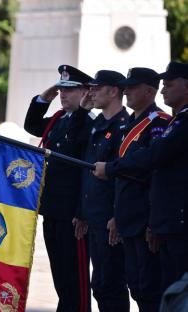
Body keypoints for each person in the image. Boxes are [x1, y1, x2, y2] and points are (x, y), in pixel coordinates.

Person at [93, 61, 188, 295]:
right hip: (149, 219)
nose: (164, 89)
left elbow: (153, 159)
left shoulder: (167, 122)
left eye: (169, 84)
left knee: (155, 290)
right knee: (140, 287)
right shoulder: (171, 121)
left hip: (167, 221)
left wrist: (113, 168)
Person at [24, 65, 93, 312]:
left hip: (73, 215)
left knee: (76, 281)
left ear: (87, 93)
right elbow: (31, 124)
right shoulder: (58, 120)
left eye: (70, 90)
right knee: (61, 278)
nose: (63, 95)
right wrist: (48, 94)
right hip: (52, 210)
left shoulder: (89, 124)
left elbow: (85, 172)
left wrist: (81, 212)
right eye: (61, 89)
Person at [112, 67, 169, 312]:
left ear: (149, 91)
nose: (126, 92)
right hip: (128, 218)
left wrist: (152, 221)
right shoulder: (131, 123)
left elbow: (156, 175)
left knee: (149, 289)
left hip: (144, 219)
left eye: (132, 87)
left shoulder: (158, 123)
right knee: (135, 285)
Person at [76, 70, 130, 311]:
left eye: (98, 88)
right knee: (98, 284)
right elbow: (84, 167)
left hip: (110, 220)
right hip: (94, 216)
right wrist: (82, 211)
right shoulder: (98, 123)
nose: (92, 92)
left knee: (111, 284)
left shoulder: (124, 127)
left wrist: (118, 215)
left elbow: (125, 177)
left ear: (114, 91)